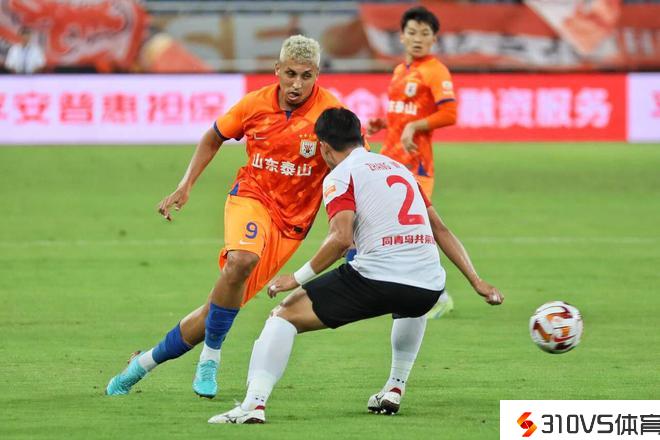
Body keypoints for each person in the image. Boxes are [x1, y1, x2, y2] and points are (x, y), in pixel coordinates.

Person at [208, 107, 503, 424]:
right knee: (410, 298)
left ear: (323, 147)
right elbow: (440, 230)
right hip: (428, 287)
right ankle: (394, 387)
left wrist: (296, 278)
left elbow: (340, 239)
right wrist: (476, 280)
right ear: (361, 137)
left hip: (376, 280)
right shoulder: (401, 169)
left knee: (283, 316)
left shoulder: (340, 175)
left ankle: (253, 405)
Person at [106, 35, 343, 398]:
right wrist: (185, 185)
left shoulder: (331, 114)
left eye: (306, 76)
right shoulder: (255, 104)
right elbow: (213, 136)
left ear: (317, 75)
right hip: (252, 197)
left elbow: (354, 163)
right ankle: (211, 357)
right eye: (290, 74)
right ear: (277, 70)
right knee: (241, 259)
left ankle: (141, 365)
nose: (297, 84)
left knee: (216, 310)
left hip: (291, 225)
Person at [367, 6, 458, 319]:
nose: (418, 38)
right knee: (385, 225)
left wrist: (414, 127)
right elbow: (403, 112)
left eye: (425, 33)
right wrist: (384, 123)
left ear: (434, 39)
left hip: (416, 164)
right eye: (412, 32)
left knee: (419, 230)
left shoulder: (435, 71)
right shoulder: (400, 71)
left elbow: (450, 113)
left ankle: (438, 294)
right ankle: (384, 283)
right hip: (390, 161)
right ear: (402, 36)